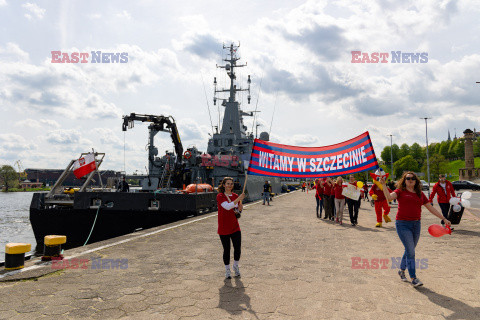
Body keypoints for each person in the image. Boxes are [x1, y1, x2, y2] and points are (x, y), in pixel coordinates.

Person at [380, 171, 451, 287]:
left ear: (416, 181)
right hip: (402, 225)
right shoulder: (400, 191)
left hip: (416, 225)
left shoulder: (420, 194)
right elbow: (388, 198)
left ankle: (401, 270)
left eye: (413, 178)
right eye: (408, 178)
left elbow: (431, 208)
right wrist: (383, 185)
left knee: (409, 250)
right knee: (411, 252)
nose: (410, 180)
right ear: (404, 180)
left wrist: (444, 218)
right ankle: (414, 278)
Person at [217, 177, 245, 279]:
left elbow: (237, 211)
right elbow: (228, 206)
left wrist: (240, 209)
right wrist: (239, 199)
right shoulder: (220, 196)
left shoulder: (235, 195)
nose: (230, 185)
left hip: (235, 227)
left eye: (231, 183)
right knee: (227, 250)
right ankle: (227, 270)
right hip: (224, 228)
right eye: (228, 183)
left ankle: (235, 266)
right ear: (223, 185)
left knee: (237, 248)